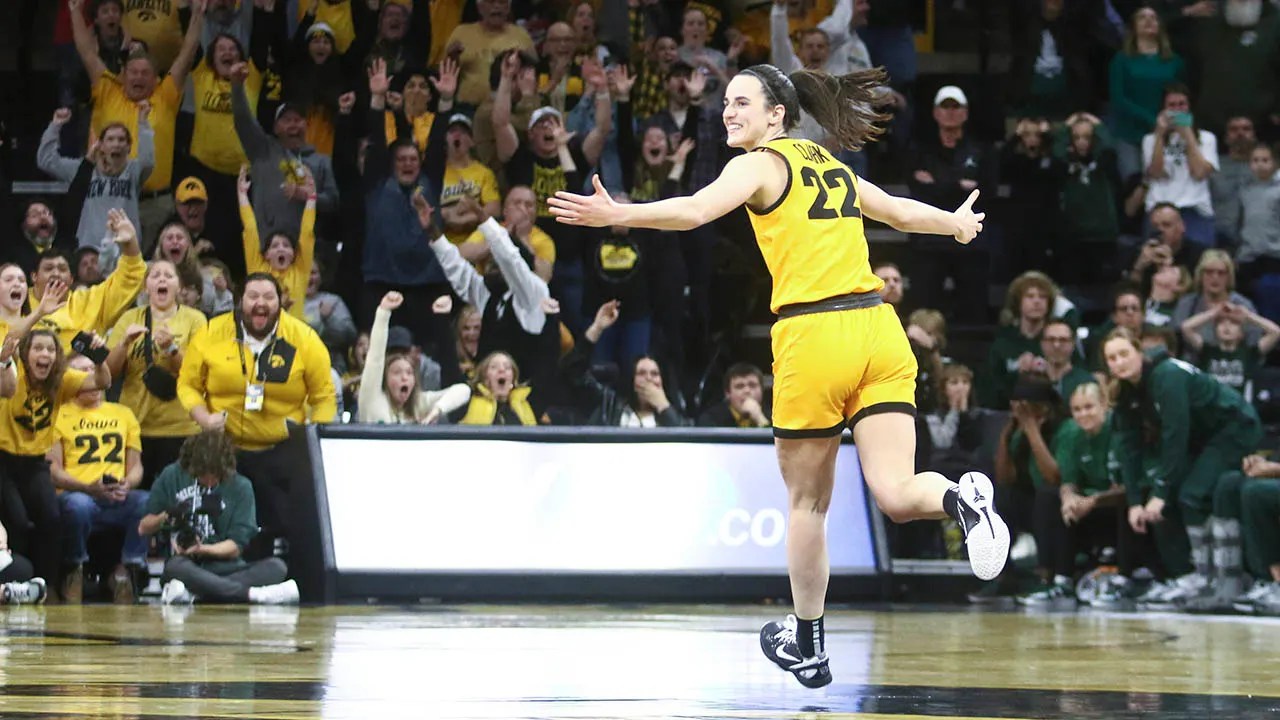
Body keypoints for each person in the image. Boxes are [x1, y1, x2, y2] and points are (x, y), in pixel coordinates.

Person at [548, 61, 1005, 688]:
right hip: (879, 330)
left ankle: (809, 643)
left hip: (815, 336)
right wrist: (954, 223)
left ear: (776, 116)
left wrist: (618, 214)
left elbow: (693, 211)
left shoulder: (759, 163)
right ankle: (962, 498)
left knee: (807, 503)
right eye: (727, 105)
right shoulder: (831, 164)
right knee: (898, 494)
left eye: (742, 103)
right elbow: (896, 211)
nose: (729, 113)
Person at [177, 273, 335, 558]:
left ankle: (289, 572)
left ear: (280, 302)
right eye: (253, 297)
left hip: (283, 447)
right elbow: (188, 384)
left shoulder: (304, 338)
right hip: (226, 447)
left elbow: (324, 396)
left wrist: (315, 439)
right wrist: (203, 418)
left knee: (287, 521)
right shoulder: (212, 332)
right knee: (226, 520)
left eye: (268, 297)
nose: (260, 304)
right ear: (240, 301)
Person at [1104, 327, 1263, 610]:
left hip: (1235, 427)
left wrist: (1161, 492)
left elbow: (1175, 435)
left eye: (1124, 354)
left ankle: (1214, 578)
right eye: (1112, 358)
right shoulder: (1127, 391)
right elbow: (1129, 450)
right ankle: (1189, 576)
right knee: (1169, 494)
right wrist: (1133, 502)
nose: (1119, 362)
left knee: (1190, 493)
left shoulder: (1167, 376)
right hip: (1205, 437)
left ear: (1139, 352)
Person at [139, 429, 298, 605]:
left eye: (214, 478)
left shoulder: (242, 487)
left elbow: (236, 547)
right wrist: (168, 515)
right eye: (201, 477)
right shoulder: (171, 475)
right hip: (188, 566)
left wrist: (202, 549)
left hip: (229, 567)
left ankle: (196, 595)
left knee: (277, 567)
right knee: (174, 568)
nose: (208, 483)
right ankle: (251, 595)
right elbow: (144, 527)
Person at [48, 354, 149, 604]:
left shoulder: (123, 413)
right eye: (81, 371)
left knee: (146, 501)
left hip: (116, 497)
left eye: (93, 369)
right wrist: (87, 488)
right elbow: (54, 471)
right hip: (78, 495)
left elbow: (136, 467)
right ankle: (74, 570)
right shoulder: (57, 414)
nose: (90, 377)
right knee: (78, 506)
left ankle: (126, 571)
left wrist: (128, 483)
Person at [106, 259, 208, 490]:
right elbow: (108, 375)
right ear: (145, 287)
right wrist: (123, 344)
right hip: (136, 426)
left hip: (182, 428)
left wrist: (172, 349)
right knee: (138, 501)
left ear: (179, 286)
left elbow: (199, 374)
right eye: (155, 275)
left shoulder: (195, 319)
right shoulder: (129, 319)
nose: (162, 279)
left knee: (179, 499)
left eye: (168, 275)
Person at [357, 292, 470, 425]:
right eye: (397, 372)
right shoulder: (372, 399)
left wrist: (437, 410)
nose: (404, 377)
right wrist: (383, 312)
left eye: (409, 373)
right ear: (385, 378)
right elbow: (375, 360)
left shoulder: (418, 404)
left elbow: (463, 390)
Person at [238, 166, 317, 317]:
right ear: (266, 254)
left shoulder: (300, 270)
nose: (281, 249)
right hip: (263, 335)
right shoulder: (258, 269)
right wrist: (242, 195)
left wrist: (312, 197)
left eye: (286, 245)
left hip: (294, 337)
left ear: (294, 254)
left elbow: (307, 233)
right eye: (275, 246)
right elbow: (250, 230)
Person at [698, 363, 770, 428]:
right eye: (739, 386)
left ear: (762, 390)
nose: (747, 391)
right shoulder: (710, 419)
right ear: (727, 393)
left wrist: (759, 418)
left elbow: (776, 442)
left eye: (752, 385)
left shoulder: (775, 417)